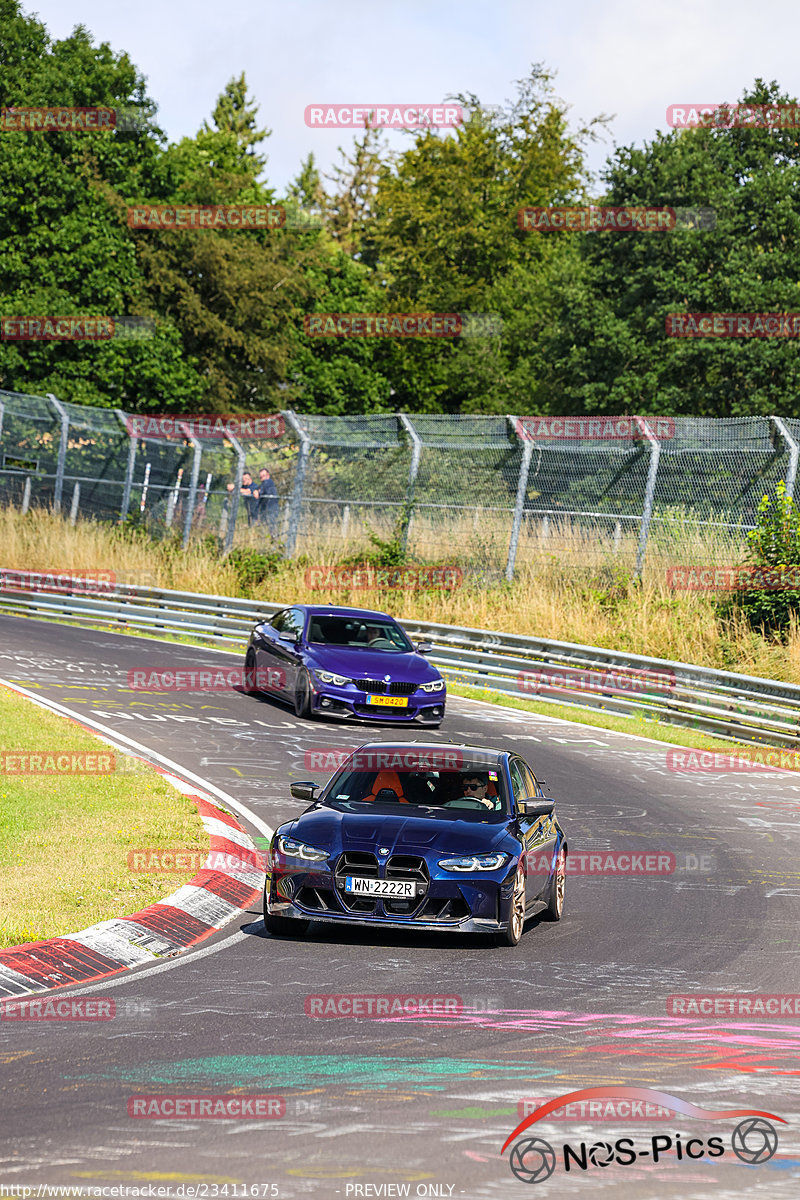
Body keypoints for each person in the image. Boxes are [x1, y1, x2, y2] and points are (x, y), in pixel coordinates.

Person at [255, 467, 279, 533]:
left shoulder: (269, 482)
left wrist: (258, 492)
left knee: (271, 526)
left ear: (268, 475)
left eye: (263, 475)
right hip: (265, 509)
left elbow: (260, 492)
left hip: (271, 508)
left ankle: (274, 538)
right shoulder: (262, 485)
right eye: (261, 477)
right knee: (265, 527)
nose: (262, 478)